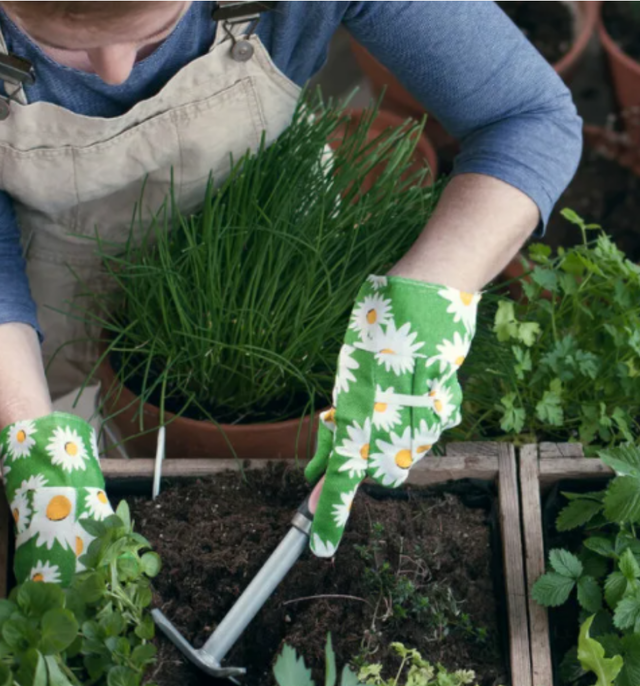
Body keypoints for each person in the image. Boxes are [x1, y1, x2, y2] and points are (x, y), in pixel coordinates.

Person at [0, 1, 582, 583]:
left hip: (272, 237)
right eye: (57, 42)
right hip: (45, 275)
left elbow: (528, 115)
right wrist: (29, 429)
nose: (114, 73)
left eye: (153, 33)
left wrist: (428, 296)